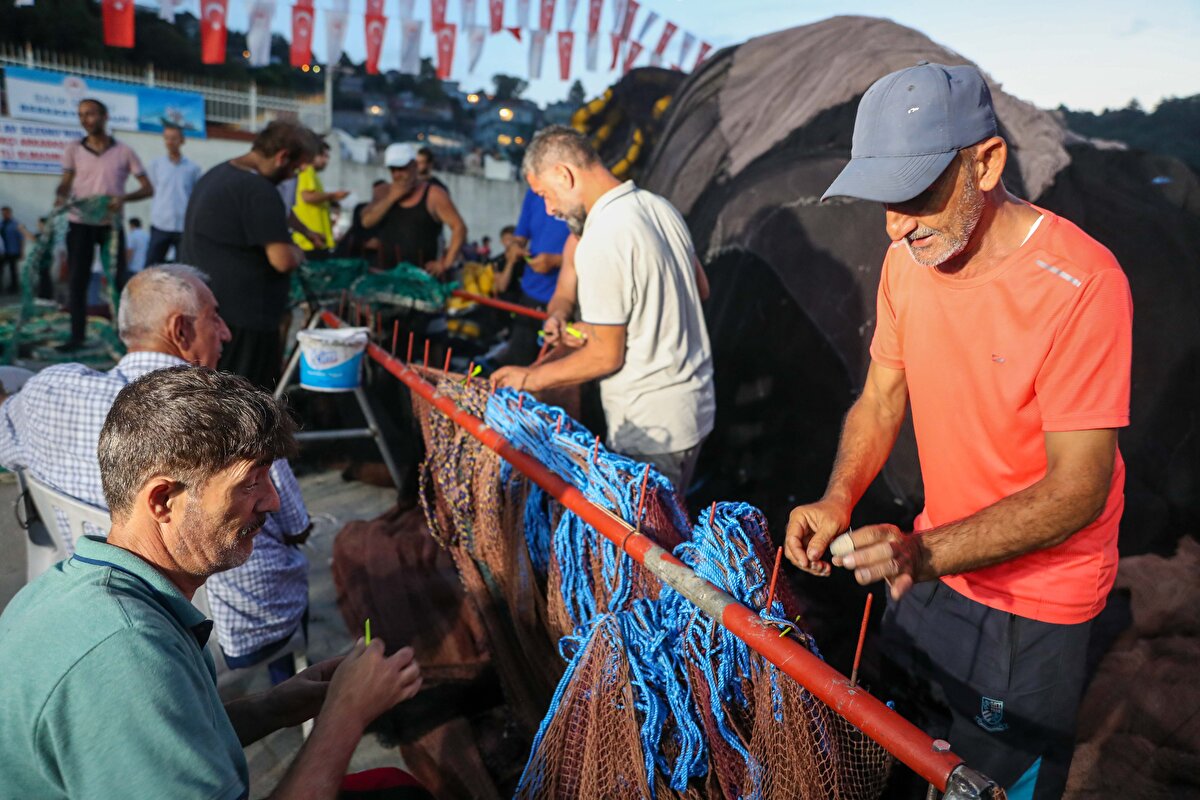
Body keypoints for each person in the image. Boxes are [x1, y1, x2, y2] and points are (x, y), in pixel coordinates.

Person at [784, 63, 1133, 799]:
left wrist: (921, 551)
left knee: (992, 783)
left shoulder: (1082, 283)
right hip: (934, 565)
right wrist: (838, 500)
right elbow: (881, 397)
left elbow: (1079, 488)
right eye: (883, 198)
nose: (895, 223)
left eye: (913, 194)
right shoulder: (905, 262)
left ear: (987, 161)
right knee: (911, 753)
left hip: (1035, 601)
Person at [0, 365, 424, 799]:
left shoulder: (87, 591)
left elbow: (174, 743)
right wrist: (345, 715)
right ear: (164, 501)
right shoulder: (124, 656)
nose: (273, 501)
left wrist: (278, 705)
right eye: (249, 483)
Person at [0, 265, 314, 682]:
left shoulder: (46, 394)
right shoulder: (234, 422)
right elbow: (295, 524)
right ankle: (288, 682)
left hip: (110, 607)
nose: (226, 333)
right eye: (214, 318)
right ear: (180, 330)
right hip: (227, 630)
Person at [492, 126, 715, 490]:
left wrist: (528, 378)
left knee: (642, 542)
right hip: (694, 408)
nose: (549, 209)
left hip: (650, 427)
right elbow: (700, 289)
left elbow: (604, 356)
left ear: (564, 175)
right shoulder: (659, 206)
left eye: (545, 194)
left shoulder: (603, 235)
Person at [181, 120, 315, 390]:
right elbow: (282, 259)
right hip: (245, 320)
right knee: (246, 401)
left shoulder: (217, 173)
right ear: (281, 157)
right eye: (296, 168)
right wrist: (299, 252)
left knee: (216, 396)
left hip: (212, 308)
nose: (293, 176)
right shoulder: (258, 190)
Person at [54, 97, 154, 352]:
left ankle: (125, 337)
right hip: (80, 222)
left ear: (104, 116)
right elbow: (66, 182)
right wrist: (60, 195)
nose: (86, 119)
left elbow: (147, 188)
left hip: (111, 225)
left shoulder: (124, 152)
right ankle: (77, 336)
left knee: (119, 280)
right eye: (81, 115)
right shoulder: (73, 149)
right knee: (78, 280)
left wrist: (123, 198)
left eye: (91, 113)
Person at [362, 143, 466, 275]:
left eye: (402, 169)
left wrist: (444, 263)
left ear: (414, 166)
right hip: (386, 275)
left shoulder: (434, 194)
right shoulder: (383, 191)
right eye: (393, 170)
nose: (397, 175)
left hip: (420, 278)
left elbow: (459, 227)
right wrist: (391, 199)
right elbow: (367, 221)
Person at [145, 124, 203, 265]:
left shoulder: (193, 168)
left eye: (174, 138)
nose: (170, 142)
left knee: (183, 268)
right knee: (152, 267)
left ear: (182, 141)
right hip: (160, 224)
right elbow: (151, 189)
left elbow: (197, 196)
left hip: (183, 226)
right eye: (167, 138)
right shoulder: (156, 165)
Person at [291, 139, 350, 257]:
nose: (326, 160)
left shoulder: (312, 175)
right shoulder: (307, 171)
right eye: (323, 156)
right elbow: (307, 196)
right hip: (309, 242)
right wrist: (333, 195)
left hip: (315, 240)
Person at [0, 206, 23, 293]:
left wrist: (22, 252)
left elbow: (21, 239)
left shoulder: (16, 224)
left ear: (10, 213)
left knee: (13, 269)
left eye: (5, 213)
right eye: (2, 213)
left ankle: (14, 287)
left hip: (13, 250)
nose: (4, 215)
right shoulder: (1, 224)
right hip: (3, 251)